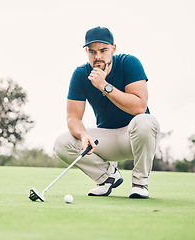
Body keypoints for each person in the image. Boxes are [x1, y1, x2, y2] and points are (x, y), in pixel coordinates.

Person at [53, 26, 160, 199]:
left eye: (103, 50)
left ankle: (140, 183)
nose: (98, 57)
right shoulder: (81, 74)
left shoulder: (129, 63)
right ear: (86, 51)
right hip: (107, 140)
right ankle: (107, 177)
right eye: (92, 51)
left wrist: (103, 85)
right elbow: (73, 117)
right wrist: (82, 135)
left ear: (113, 49)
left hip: (135, 137)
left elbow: (139, 107)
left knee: (146, 122)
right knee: (62, 143)